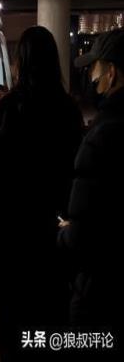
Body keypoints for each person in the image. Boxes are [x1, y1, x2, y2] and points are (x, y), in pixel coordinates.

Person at [0, 26, 83, 362]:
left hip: (12, 240)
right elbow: (76, 177)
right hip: (53, 237)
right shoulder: (69, 111)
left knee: (15, 323)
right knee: (51, 320)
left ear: (20, 62)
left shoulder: (6, 110)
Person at [61, 29, 124, 360]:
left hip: (100, 289)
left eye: (94, 69)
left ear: (112, 73)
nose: (91, 77)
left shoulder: (104, 134)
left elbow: (82, 235)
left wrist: (66, 232)